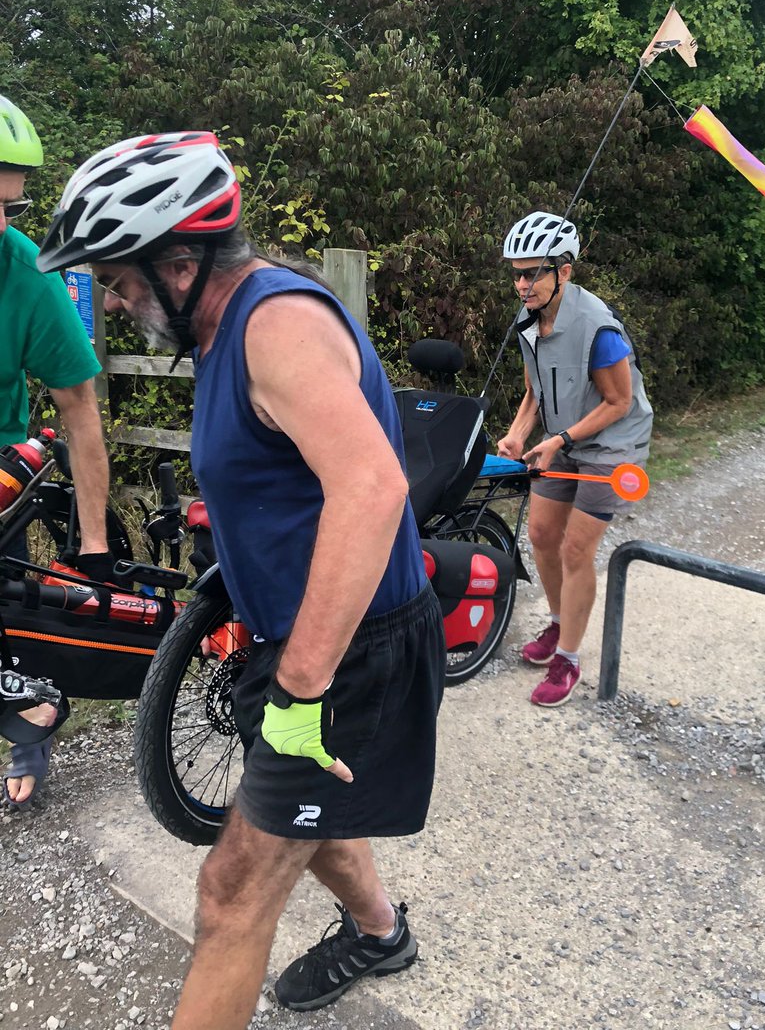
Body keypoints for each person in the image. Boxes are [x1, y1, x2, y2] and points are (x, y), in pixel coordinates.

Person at [37, 130, 445, 1030]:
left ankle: (370, 929)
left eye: (118, 277)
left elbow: (373, 489)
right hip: (294, 637)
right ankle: (380, 932)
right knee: (309, 807)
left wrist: (300, 690)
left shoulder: (278, 325)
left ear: (180, 263)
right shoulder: (225, 327)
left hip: (346, 653)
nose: (113, 297)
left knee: (229, 893)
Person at [0, 93, 112, 809]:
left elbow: (79, 408)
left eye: (10, 209)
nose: (0, 224)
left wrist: (96, 544)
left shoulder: (26, 273)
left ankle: (34, 704)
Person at [496, 211, 653, 707]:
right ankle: (559, 623)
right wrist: (517, 434)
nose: (522, 284)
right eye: (516, 273)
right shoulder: (529, 321)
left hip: (612, 445)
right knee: (541, 534)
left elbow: (618, 403)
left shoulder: (598, 329)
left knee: (575, 550)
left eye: (533, 273)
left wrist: (560, 438)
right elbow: (534, 392)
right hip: (560, 439)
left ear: (564, 270)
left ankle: (568, 658)